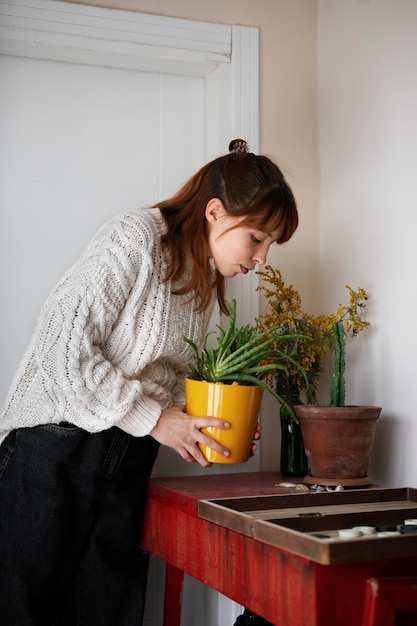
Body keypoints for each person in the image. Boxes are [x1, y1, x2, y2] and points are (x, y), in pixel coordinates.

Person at [0, 139, 298, 626]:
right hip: (54, 451)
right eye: (258, 238)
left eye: (271, 245)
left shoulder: (204, 285)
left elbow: (166, 377)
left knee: (106, 612)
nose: (263, 258)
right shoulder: (135, 237)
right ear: (216, 212)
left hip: (126, 455)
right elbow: (63, 351)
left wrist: (205, 421)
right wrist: (157, 419)